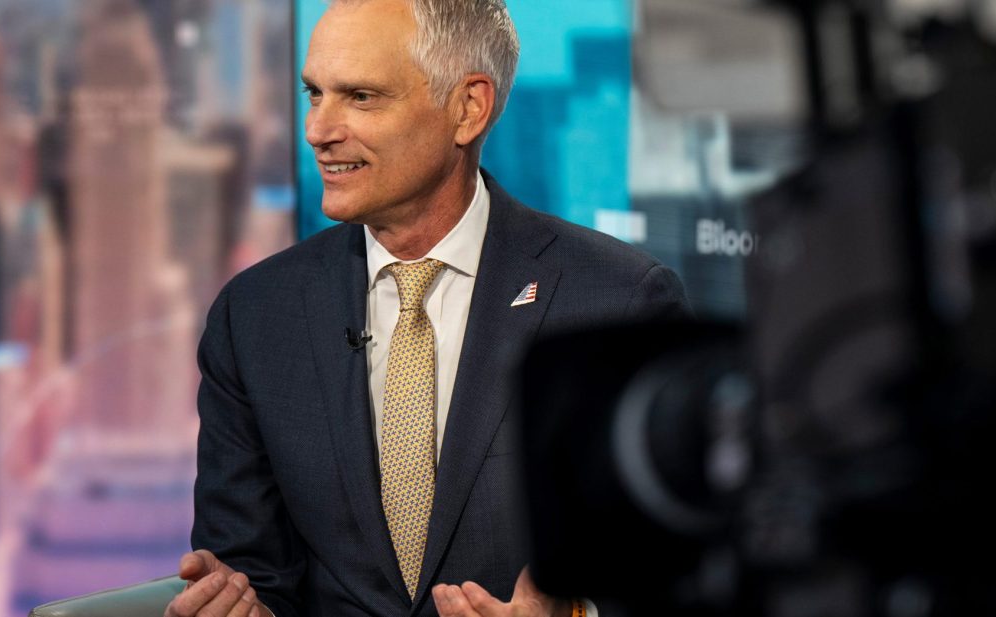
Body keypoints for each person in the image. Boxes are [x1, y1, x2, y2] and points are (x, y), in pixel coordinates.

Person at [165, 1, 690, 616]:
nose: (317, 130)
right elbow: (253, 568)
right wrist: (240, 607)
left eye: (361, 96)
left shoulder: (618, 303)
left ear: (468, 108)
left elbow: (671, 577)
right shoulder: (256, 315)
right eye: (315, 94)